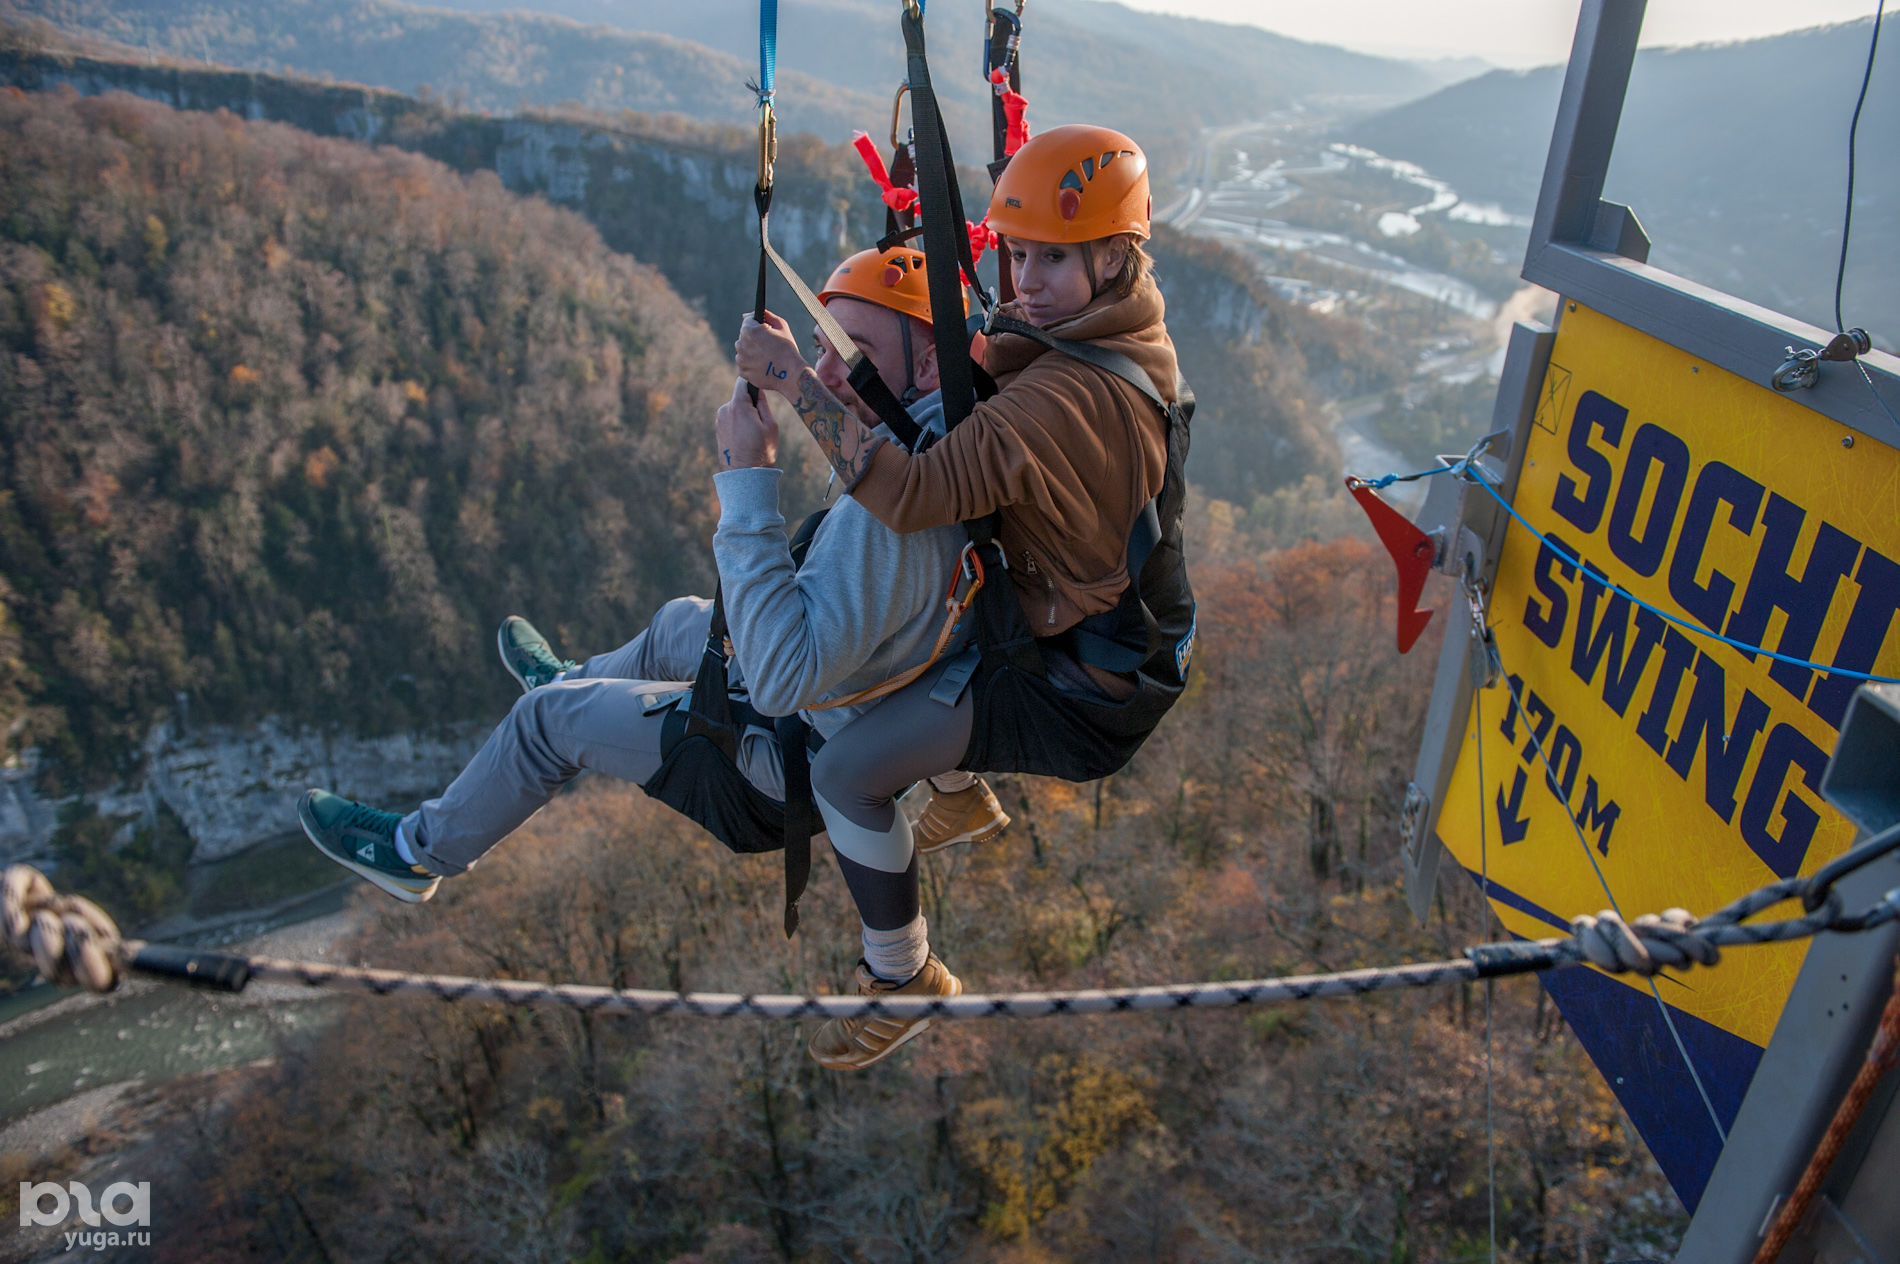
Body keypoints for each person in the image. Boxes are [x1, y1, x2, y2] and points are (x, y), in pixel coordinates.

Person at [298, 246, 1006, 1067]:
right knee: (681, 624)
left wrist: (746, 479)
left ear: (924, 360)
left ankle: (417, 852)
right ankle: (580, 679)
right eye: (823, 346)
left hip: (773, 757)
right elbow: (861, 492)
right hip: (858, 691)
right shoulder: (948, 434)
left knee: (543, 723)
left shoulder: (887, 523)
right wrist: (796, 385)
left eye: (853, 353)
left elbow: (778, 681)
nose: (827, 370)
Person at [733, 125, 1180, 1058]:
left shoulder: (1064, 401)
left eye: (1052, 258)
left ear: (1115, 254)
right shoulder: (1120, 323)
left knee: (846, 771)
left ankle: (902, 976)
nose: (1024, 280)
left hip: (1077, 688)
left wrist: (792, 387)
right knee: (925, 611)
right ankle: (957, 788)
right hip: (1088, 623)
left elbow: (910, 493)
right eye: (1017, 252)